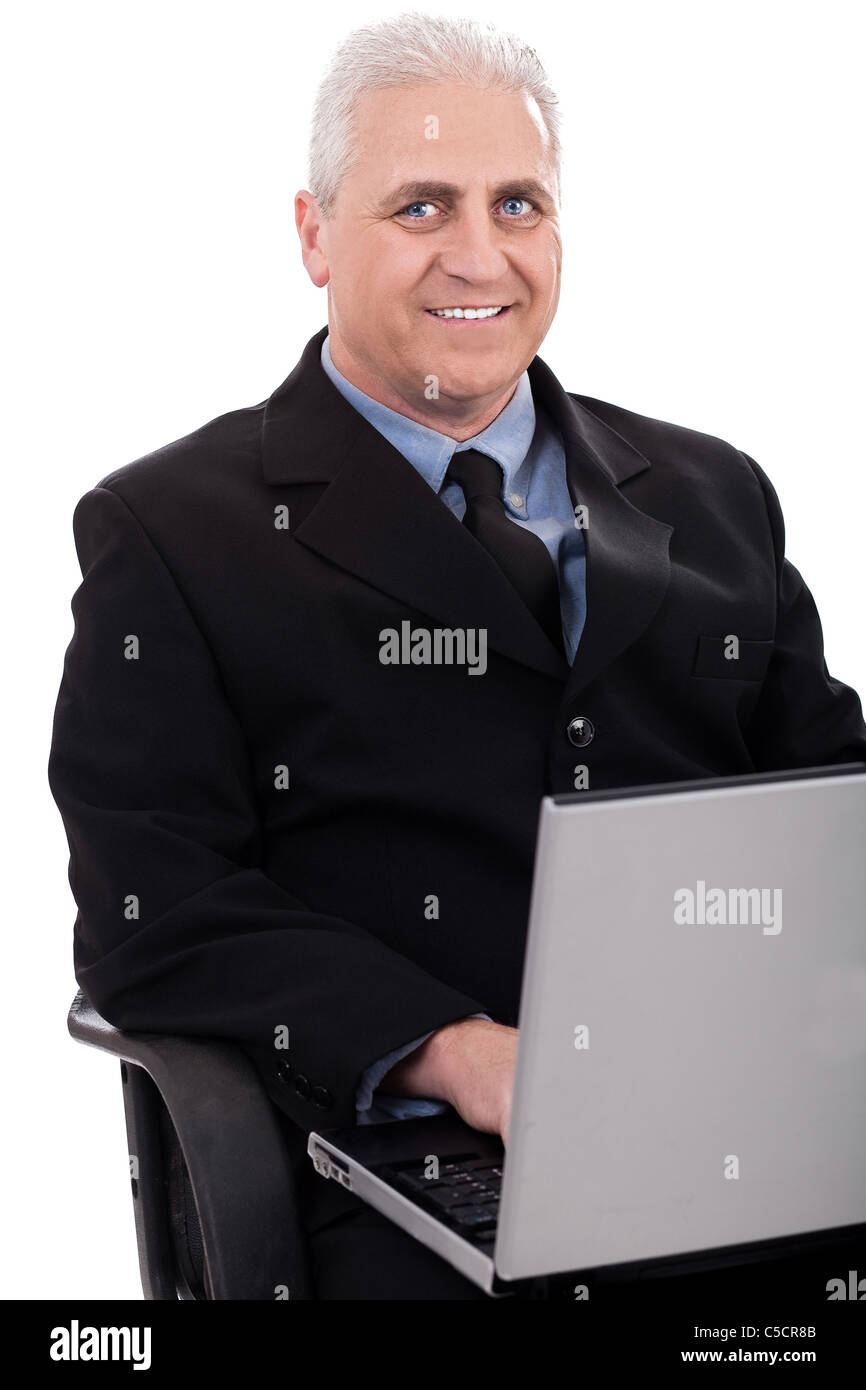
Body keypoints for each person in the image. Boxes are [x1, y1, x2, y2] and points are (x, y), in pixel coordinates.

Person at [47, 13, 866, 1299]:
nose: (477, 254)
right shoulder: (173, 531)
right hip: (418, 1168)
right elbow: (155, 911)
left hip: (743, 1118)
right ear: (313, 236)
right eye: (420, 206)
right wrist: (452, 1049)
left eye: (517, 203)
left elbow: (829, 807)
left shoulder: (713, 490)